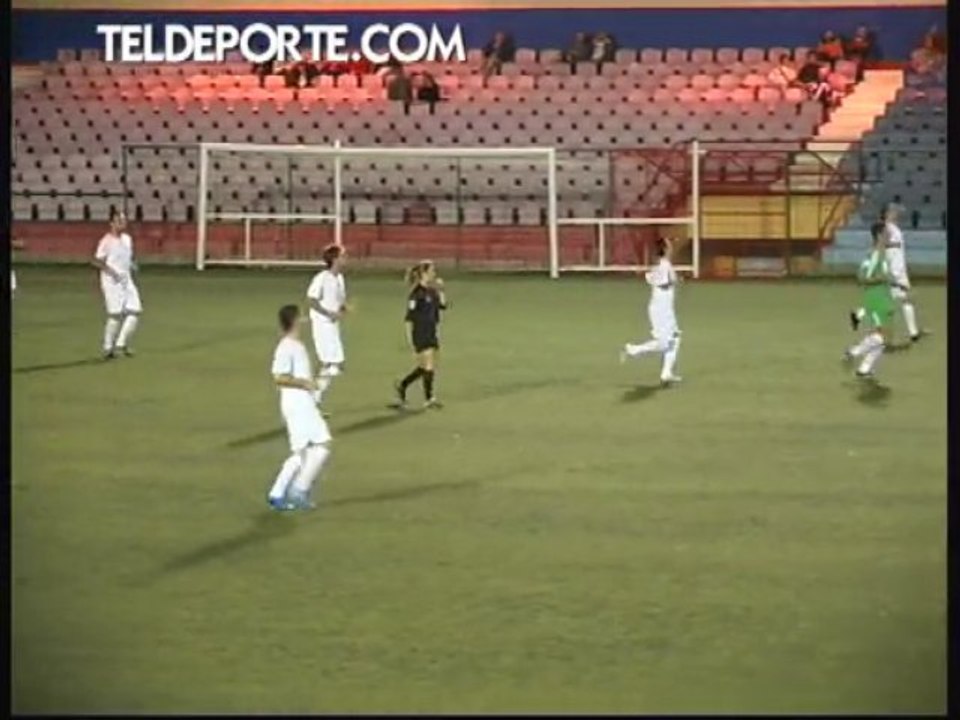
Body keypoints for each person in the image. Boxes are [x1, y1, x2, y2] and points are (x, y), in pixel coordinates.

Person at [267, 304, 333, 511]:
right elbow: (279, 377)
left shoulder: (296, 345)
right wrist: (305, 384)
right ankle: (283, 493)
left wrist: (313, 383)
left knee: (319, 446)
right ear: (295, 321)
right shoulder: (286, 347)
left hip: (304, 403)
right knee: (305, 451)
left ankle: (295, 490)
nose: (304, 319)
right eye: (300, 317)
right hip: (296, 405)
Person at [851, 203, 923, 342]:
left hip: (898, 270)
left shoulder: (892, 228)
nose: (896, 213)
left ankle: (859, 315)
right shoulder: (888, 229)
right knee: (904, 300)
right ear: (887, 214)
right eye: (893, 211)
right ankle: (912, 334)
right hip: (895, 272)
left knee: (892, 301)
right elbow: (886, 248)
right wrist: (890, 271)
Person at [619, 238, 682, 385]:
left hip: (665, 309)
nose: (672, 247)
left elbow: (652, 277)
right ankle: (633, 350)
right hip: (661, 310)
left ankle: (666, 373)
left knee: (675, 337)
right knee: (664, 343)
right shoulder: (664, 266)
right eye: (669, 245)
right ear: (665, 249)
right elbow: (665, 283)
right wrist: (673, 281)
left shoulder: (662, 266)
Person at [393, 260, 448, 409]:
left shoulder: (432, 291)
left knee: (426, 367)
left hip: (431, 331)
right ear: (424, 273)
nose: (434, 274)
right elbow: (409, 318)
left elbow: (443, 306)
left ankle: (402, 384)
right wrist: (410, 340)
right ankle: (429, 399)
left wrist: (441, 290)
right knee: (428, 365)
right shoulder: (416, 294)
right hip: (420, 333)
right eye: (431, 271)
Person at [845, 223, 894, 379]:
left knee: (883, 337)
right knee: (882, 337)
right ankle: (856, 352)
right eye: (886, 233)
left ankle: (864, 369)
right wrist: (881, 279)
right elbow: (862, 277)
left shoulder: (881, 253)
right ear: (879, 236)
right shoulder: (874, 254)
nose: (889, 236)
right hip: (875, 298)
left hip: (882, 297)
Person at [92, 209, 142, 359]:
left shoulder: (127, 239)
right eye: (120, 221)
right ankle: (108, 347)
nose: (123, 223)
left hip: (126, 279)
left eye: (124, 220)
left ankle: (121, 344)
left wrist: (132, 264)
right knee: (115, 314)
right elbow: (97, 261)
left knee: (135, 310)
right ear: (112, 223)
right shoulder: (106, 241)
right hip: (111, 281)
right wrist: (113, 273)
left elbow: (126, 257)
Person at [306, 244, 349, 409]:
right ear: (335, 259)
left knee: (334, 365)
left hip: (332, 325)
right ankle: (312, 400)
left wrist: (343, 309)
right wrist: (328, 313)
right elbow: (311, 300)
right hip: (322, 325)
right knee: (332, 364)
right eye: (343, 256)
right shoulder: (321, 278)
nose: (346, 259)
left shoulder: (339, 278)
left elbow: (339, 300)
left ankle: (314, 399)